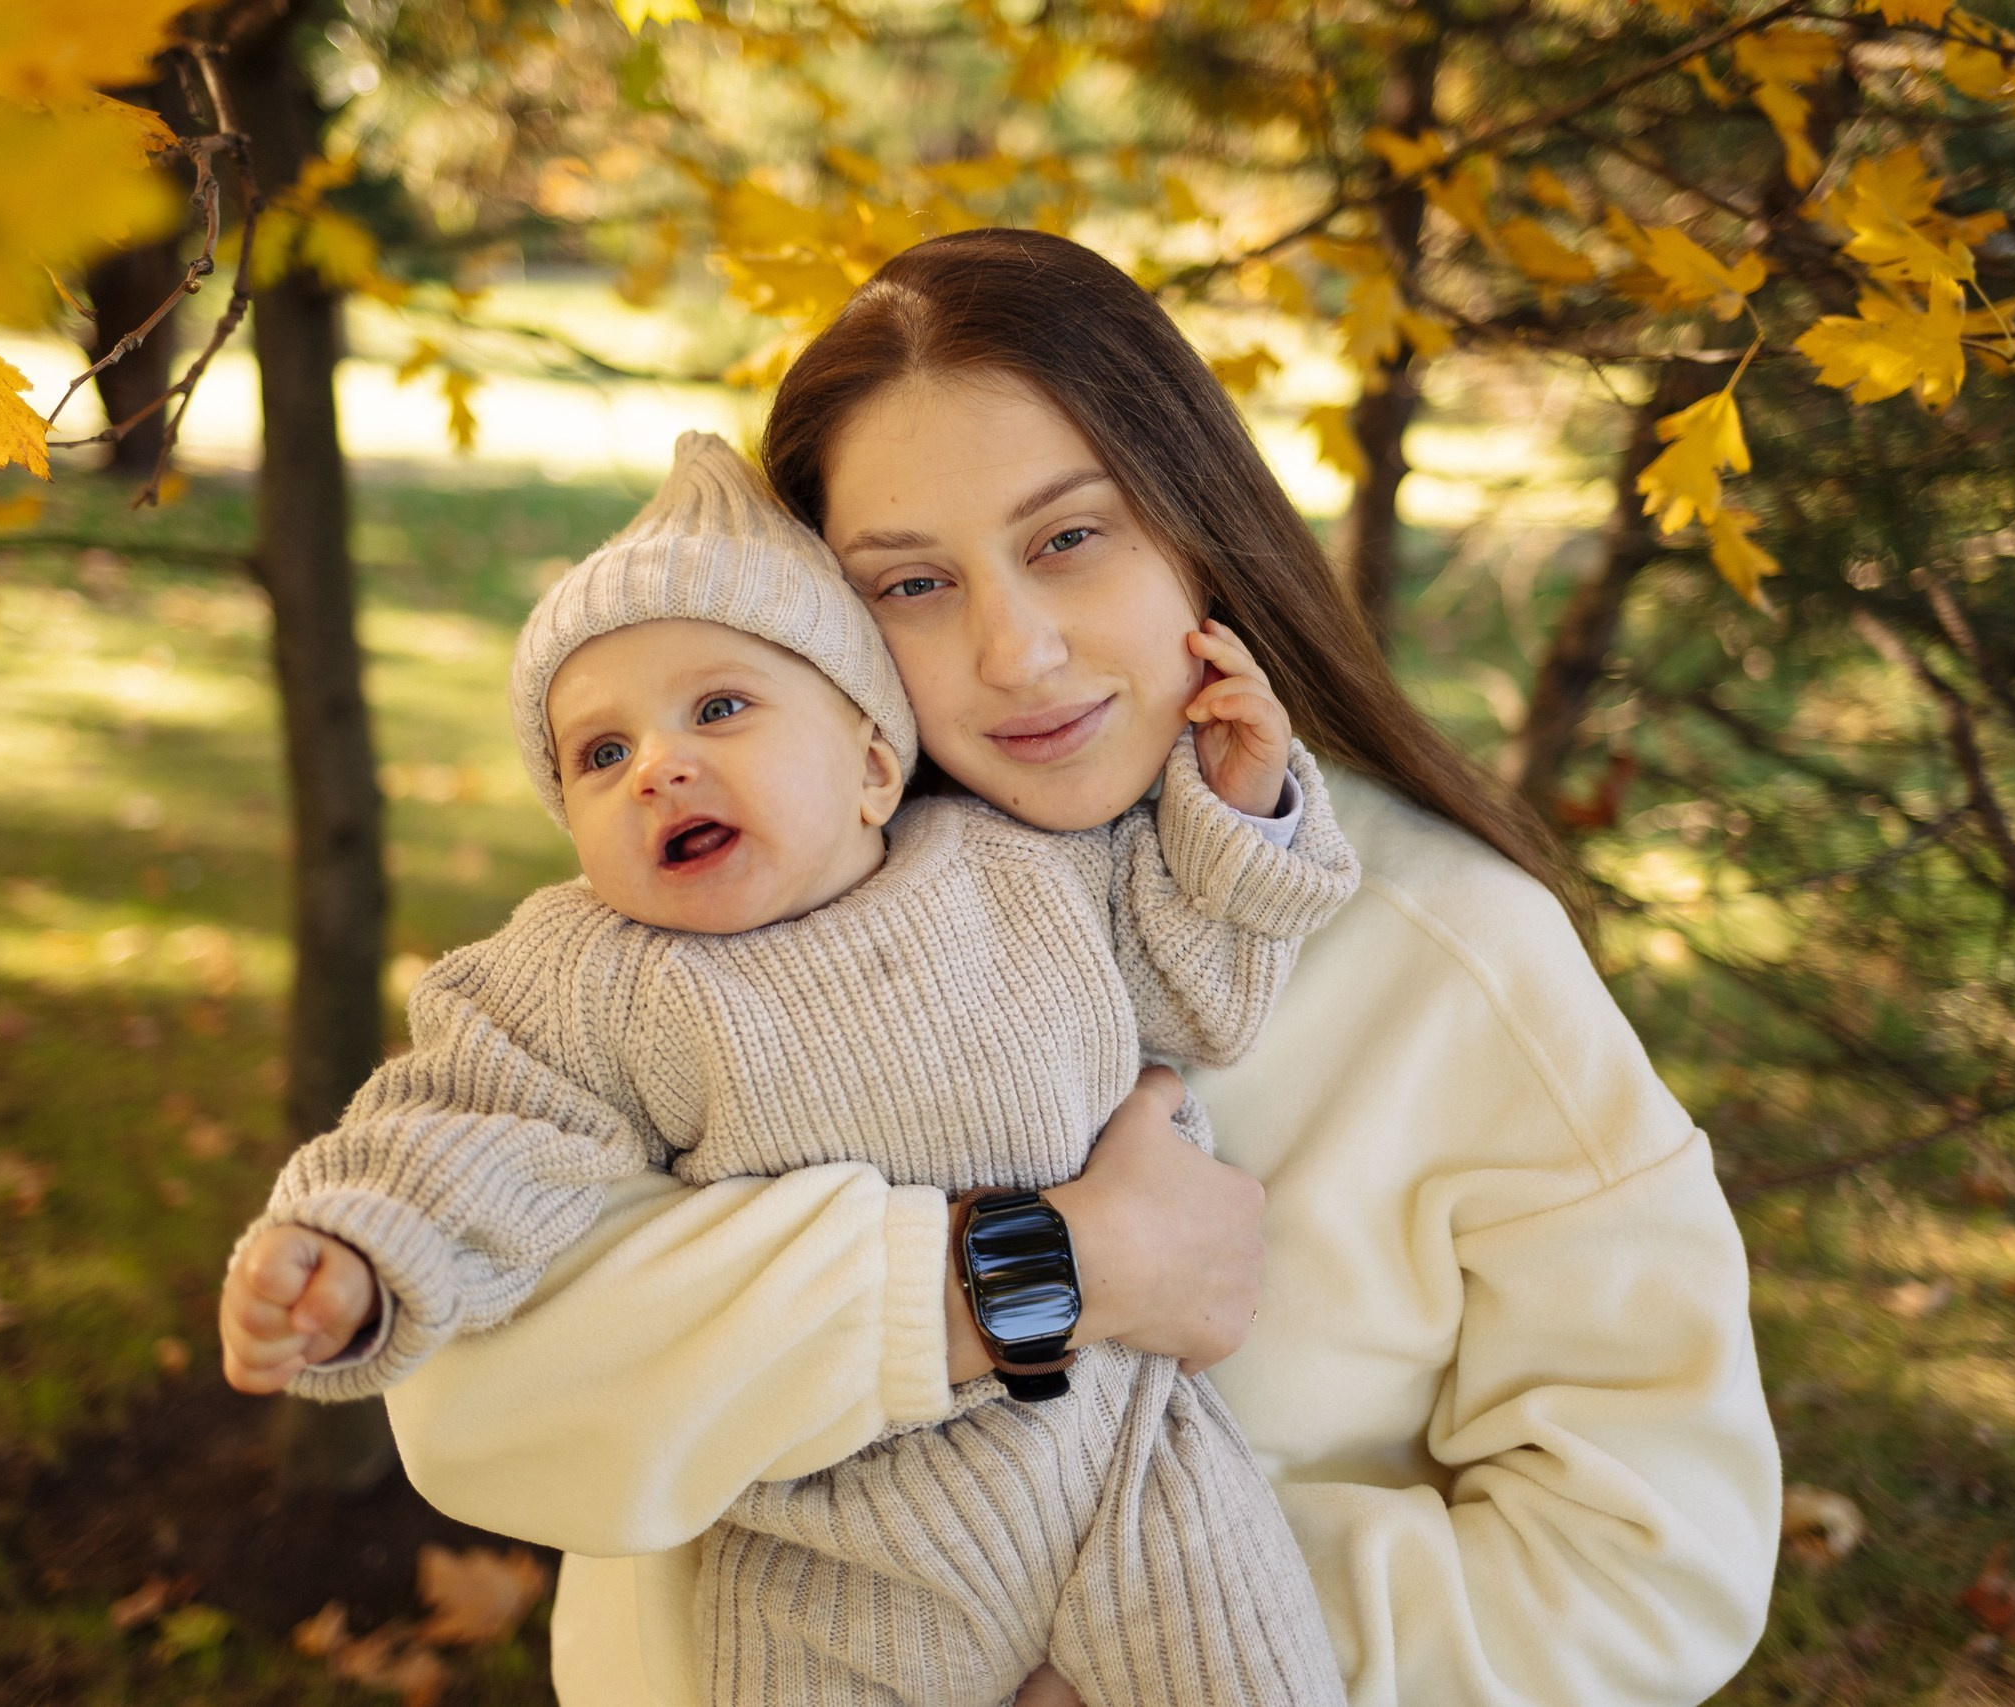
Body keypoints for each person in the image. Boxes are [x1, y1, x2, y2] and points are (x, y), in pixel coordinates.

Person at [381, 229, 1784, 1707]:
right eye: (911, 584)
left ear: (1197, 524)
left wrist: (1179, 1642)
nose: (1017, 652)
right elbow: (468, 1399)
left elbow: (1659, 1548)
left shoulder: (1454, 950)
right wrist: (1039, 1273)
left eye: (1068, 538)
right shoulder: (710, 935)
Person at [218, 431, 1363, 1706]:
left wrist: (1236, 805)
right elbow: (471, 1121)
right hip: (838, 1537)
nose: (656, 763)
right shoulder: (600, 973)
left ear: (875, 763)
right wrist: (359, 1250)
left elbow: (1193, 987)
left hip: (1136, 1474)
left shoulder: (1022, 870)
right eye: (599, 756)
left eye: (718, 709)